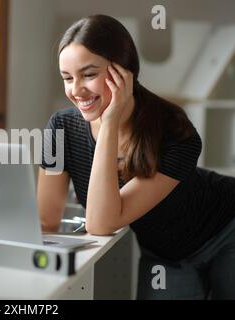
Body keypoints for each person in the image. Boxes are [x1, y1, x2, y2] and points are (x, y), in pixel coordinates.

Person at [37, 14, 235, 300]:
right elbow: (46, 221)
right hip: (165, 256)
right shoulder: (60, 129)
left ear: (124, 72)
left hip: (225, 229)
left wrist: (109, 122)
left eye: (89, 74)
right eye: (67, 78)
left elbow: (101, 223)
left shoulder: (177, 132)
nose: (76, 90)